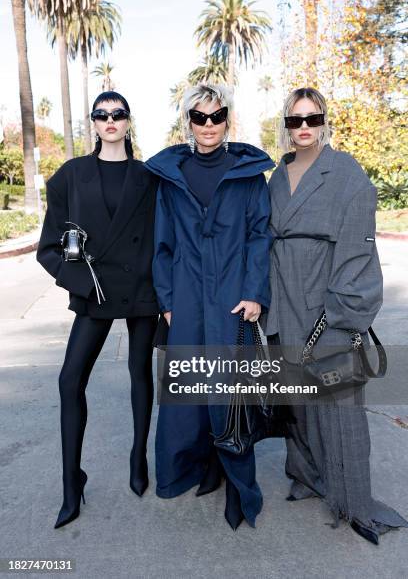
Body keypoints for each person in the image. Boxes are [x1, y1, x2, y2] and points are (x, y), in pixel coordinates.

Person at [262, 86, 408, 544]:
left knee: (340, 403)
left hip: (326, 300)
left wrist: (342, 311)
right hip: (282, 298)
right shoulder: (276, 176)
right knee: (297, 401)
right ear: (285, 125)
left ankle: (356, 501)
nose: (303, 128)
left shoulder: (345, 172)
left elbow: (358, 246)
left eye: (311, 118)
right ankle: (307, 475)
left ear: (324, 120)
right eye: (294, 120)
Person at [144, 84, 273, 530]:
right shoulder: (171, 176)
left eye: (216, 116)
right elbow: (162, 244)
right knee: (187, 392)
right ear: (188, 122)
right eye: (200, 117)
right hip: (186, 295)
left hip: (233, 297)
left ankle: (239, 487)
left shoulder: (248, 174)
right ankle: (190, 471)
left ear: (227, 120)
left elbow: (260, 236)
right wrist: (168, 301)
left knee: (229, 392)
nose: (209, 125)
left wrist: (256, 292)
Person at [37, 91, 159, 529]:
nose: (110, 120)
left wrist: (166, 296)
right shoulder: (70, 176)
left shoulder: (149, 176)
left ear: (128, 121)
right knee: (69, 380)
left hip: (142, 291)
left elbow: (163, 238)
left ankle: (137, 459)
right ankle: (73, 482)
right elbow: (49, 248)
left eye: (118, 114)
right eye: (102, 114)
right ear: (93, 122)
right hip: (95, 292)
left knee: (140, 374)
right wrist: (81, 283)